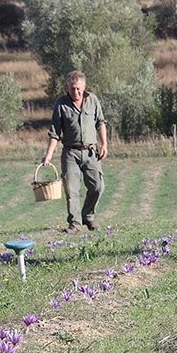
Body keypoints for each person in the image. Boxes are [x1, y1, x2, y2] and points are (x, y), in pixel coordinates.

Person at [42, 71, 108, 234]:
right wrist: (49, 155)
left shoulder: (92, 100)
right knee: (72, 190)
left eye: (78, 89)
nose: (76, 92)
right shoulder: (61, 104)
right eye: (72, 89)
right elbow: (55, 132)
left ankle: (88, 216)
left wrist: (104, 143)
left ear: (84, 87)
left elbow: (100, 122)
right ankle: (75, 224)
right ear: (68, 88)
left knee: (98, 187)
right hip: (70, 153)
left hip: (91, 152)